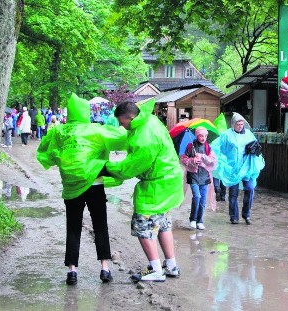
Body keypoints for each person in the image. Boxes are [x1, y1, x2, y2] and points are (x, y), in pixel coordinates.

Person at [36, 93, 127, 286]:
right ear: (86, 111)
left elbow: (45, 152)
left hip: (71, 188)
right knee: (100, 226)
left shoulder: (59, 131)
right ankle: (104, 268)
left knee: (73, 227)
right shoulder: (96, 130)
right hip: (95, 184)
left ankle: (72, 271)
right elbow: (122, 138)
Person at [105, 99, 184, 282]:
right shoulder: (150, 121)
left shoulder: (144, 136)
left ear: (131, 117)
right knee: (163, 224)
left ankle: (155, 269)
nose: (122, 127)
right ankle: (171, 265)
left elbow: (132, 166)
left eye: (123, 123)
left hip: (156, 186)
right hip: (169, 183)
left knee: (142, 226)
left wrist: (107, 168)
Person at [213, 113, 265, 225]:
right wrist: (217, 158)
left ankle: (246, 215)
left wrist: (254, 150)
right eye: (238, 124)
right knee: (233, 193)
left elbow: (257, 148)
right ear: (233, 124)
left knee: (250, 189)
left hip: (247, 168)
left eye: (242, 124)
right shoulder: (227, 135)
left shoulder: (249, 134)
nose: (240, 126)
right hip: (233, 169)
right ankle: (234, 217)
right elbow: (216, 146)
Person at [181, 127, 217, 230]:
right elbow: (183, 159)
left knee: (203, 200)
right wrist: (192, 161)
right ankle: (193, 219)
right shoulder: (190, 146)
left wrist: (203, 158)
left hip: (204, 176)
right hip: (192, 175)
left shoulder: (208, 147)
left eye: (205, 136)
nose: (203, 138)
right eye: (201, 136)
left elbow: (213, 161)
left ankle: (200, 220)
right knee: (197, 196)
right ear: (197, 136)